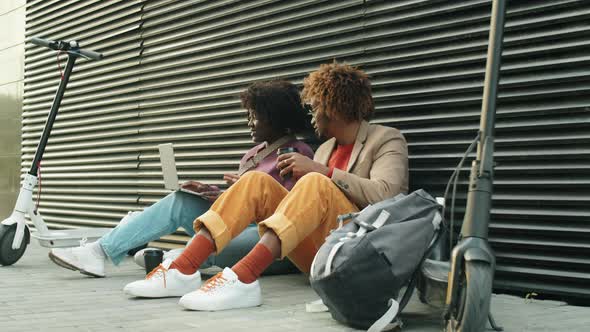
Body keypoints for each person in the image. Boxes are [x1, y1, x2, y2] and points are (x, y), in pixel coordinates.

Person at [123, 61, 409, 310]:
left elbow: (387, 195)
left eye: (314, 107)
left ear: (333, 107)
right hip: (318, 252)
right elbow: (301, 206)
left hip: (357, 256)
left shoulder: (386, 139)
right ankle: (183, 269)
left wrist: (321, 172)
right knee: (256, 181)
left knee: (315, 181)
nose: (309, 115)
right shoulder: (324, 149)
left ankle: (244, 278)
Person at [48, 80, 314, 280]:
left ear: (277, 118)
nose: (249, 122)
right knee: (182, 200)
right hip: (235, 226)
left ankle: (172, 258)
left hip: (266, 238)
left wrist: (236, 196)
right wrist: (211, 193)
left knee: (208, 243)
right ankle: (98, 252)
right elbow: (236, 204)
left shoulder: (297, 154)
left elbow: (288, 215)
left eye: (255, 116)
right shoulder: (254, 154)